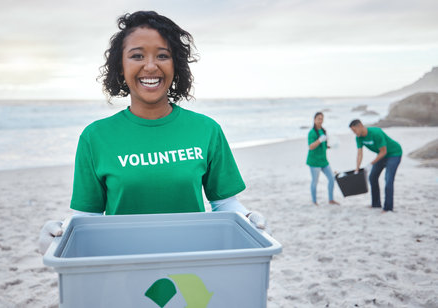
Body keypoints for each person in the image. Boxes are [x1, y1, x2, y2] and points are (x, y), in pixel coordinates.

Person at [39, 11, 266, 254]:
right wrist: (59, 235)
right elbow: (88, 217)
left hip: (193, 262)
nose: (150, 66)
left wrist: (247, 218)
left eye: (162, 56)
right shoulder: (95, 137)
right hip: (121, 265)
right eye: (137, 56)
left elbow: (223, 204)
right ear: (121, 66)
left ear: (175, 65)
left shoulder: (206, 130)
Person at [349, 119, 402, 212]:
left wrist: (370, 164)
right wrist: (357, 169)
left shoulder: (376, 133)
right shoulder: (358, 137)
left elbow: (383, 151)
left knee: (388, 179)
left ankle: (388, 208)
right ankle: (376, 204)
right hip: (382, 156)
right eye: (352, 131)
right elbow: (359, 154)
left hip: (394, 153)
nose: (354, 133)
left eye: (354, 130)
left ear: (360, 126)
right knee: (372, 177)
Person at [306, 112, 339, 206]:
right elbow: (311, 146)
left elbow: (324, 144)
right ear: (314, 120)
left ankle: (331, 199)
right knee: (315, 181)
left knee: (332, 178)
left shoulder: (323, 131)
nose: (320, 121)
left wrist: (331, 146)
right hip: (314, 161)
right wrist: (319, 140)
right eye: (318, 119)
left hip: (324, 161)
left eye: (322, 118)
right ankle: (314, 201)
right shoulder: (312, 133)